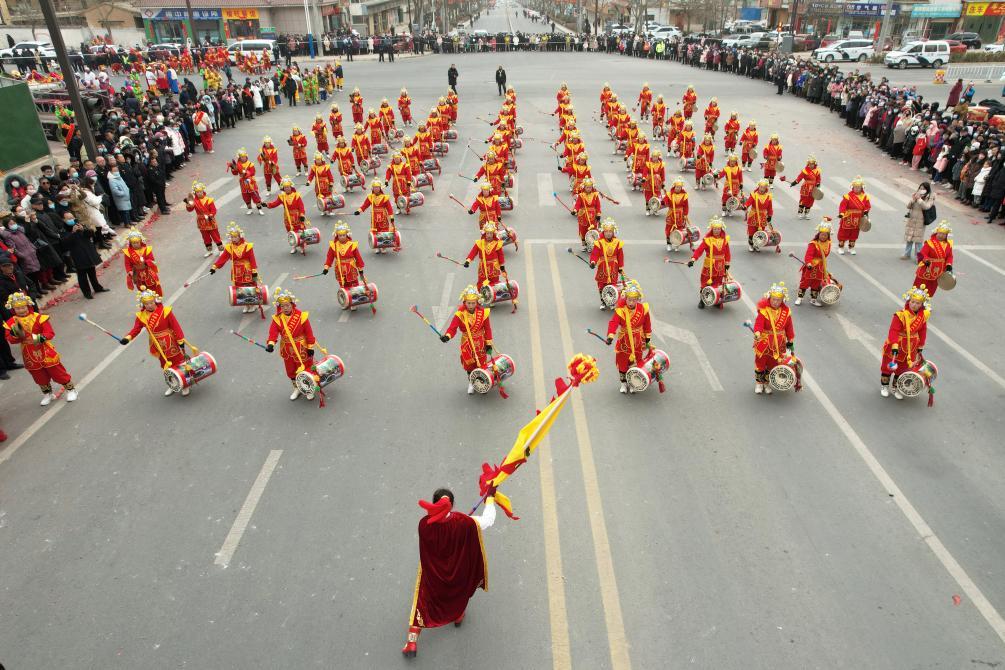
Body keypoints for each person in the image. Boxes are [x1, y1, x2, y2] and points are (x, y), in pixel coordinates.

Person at [401, 487, 496, 658]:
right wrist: (490, 498)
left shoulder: (424, 525)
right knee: (458, 595)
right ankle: (457, 616)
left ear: (434, 502)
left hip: (433, 576)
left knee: (421, 605)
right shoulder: (465, 522)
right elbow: (488, 520)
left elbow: (441, 528)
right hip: (457, 573)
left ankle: (411, 642)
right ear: (452, 504)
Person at [3, 291, 78, 405]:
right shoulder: (11, 322)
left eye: (23, 307)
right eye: (18, 308)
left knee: (57, 371)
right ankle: (48, 394)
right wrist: (16, 335)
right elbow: (10, 340)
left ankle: (71, 390)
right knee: (39, 375)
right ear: (13, 309)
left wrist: (36, 338)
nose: (21, 310)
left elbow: (50, 333)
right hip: (28, 352)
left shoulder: (39, 317)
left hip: (45, 349)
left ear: (28, 306)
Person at [120, 289, 192, 397]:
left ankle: (186, 384)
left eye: (151, 302)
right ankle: (173, 383)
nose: (149, 305)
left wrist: (180, 340)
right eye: (146, 304)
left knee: (178, 362)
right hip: (157, 344)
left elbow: (175, 327)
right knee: (165, 365)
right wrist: (128, 338)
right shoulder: (141, 316)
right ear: (143, 304)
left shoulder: (165, 311)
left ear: (155, 301)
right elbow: (136, 329)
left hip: (170, 341)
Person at [265, 288, 318, 401]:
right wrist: (271, 344)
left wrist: (310, 347)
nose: (285, 308)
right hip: (287, 349)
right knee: (291, 370)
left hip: (301, 347)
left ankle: (310, 388)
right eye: (283, 306)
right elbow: (273, 333)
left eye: (288, 305)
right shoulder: (277, 319)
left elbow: (309, 332)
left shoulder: (301, 316)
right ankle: (297, 388)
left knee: (305, 368)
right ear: (280, 307)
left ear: (292, 305)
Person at [440, 284, 494, 394]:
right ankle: (471, 382)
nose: (470, 305)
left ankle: (482, 383)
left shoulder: (483, 313)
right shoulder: (460, 314)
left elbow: (487, 329)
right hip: (467, 343)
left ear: (477, 302)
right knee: (469, 366)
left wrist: (488, 342)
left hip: (480, 341)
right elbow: (452, 328)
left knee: (482, 364)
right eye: (468, 303)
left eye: (473, 303)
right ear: (465, 302)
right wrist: (447, 336)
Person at [880, 286, 931, 399]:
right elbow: (893, 330)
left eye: (918, 303)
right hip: (897, 344)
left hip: (911, 346)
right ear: (909, 301)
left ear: (921, 304)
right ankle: (884, 386)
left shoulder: (922, 316)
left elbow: (922, 332)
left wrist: (920, 346)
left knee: (903, 369)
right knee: (888, 368)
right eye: (913, 302)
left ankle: (895, 387)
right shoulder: (901, 315)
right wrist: (894, 344)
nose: (914, 305)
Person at [604, 279, 653, 394]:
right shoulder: (620, 311)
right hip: (624, 340)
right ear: (626, 299)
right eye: (629, 300)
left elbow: (647, 324)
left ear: (637, 300)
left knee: (636, 362)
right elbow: (613, 323)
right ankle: (623, 384)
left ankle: (632, 383)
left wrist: (647, 337)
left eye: (633, 300)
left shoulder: (643, 309)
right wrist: (610, 335)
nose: (631, 302)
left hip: (638, 340)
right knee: (622, 362)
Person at [752, 281, 796, 395]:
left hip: (779, 343)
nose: (775, 302)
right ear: (769, 298)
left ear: (782, 301)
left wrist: (790, 338)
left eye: (778, 300)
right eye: (773, 299)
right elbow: (759, 324)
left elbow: (789, 326)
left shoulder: (786, 312)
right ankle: (759, 383)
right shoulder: (764, 311)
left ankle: (766, 383)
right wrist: (757, 332)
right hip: (764, 341)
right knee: (760, 363)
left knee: (772, 364)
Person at [210, 223, 261, 314]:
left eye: (235, 237)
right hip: (237, 270)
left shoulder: (247, 246)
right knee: (240, 287)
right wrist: (215, 267)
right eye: (232, 237)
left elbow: (252, 258)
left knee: (249, 286)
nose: (233, 239)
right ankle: (245, 304)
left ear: (240, 236)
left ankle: (252, 304)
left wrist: (254, 270)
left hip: (247, 269)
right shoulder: (229, 247)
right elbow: (223, 258)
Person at [59, 210, 108, 299]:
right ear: (63, 220)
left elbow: (91, 234)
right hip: (77, 255)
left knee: (92, 272)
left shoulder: (78, 224)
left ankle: (97, 287)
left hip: (88, 251)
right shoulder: (63, 230)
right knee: (82, 276)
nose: (72, 219)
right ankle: (87, 292)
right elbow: (65, 244)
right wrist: (73, 233)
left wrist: (84, 229)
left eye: (72, 217)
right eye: (68, 218)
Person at [688, 216, 731, 310]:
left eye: (718, 229)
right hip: (709, 265)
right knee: (705, 282)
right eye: (715, 229)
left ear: (721, 229)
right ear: (712, 229)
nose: (717, 231)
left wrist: (727, 263)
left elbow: (727, 252)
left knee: (718, 283)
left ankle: (715, 299)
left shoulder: (724, 240)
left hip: (720, 265)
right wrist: (693, 259)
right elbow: (699, 250)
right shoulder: (707, 240)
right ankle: (702, 300)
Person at [322, 220, 367, 306]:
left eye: (343, 235)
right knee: (343, 285)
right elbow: (329, 257)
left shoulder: (352, 245)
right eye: (340, 235)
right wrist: (326, 267)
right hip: (339, 269)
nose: (342, 237)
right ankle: (346, 301)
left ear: (347, 235)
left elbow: (358, 257)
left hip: (351, 268)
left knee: (353, 284)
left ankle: (354, 301)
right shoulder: (333, 246)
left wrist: (360, 269)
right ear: (337, 236)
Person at [795, 219, 833, 306]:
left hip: (820, 266)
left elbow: (826, 255)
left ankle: (813, 299)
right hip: (811, 266)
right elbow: (808, 255)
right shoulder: (813, 244)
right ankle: (800, 298)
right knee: (806, 282)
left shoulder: (828, 243)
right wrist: (808, 263)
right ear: (818, 234)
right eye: (822, 235)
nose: (823, 236)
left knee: (816, 283)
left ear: (828, 236)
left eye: (825, 235)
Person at [589, 219, 624, 310]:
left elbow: (620, 256)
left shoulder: (617, 243)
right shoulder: (599, 243)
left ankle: (611, 301)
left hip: (613, 267)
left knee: (612, 285)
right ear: (603, 232)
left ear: (613, 232)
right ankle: (603, 302)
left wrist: (620, 267)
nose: (608, 233)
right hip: (602, 267)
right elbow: (595, 254)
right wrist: (593, 262)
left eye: (610, 231)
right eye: (606, 231)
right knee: (602, 285)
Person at [266, 176, 307, 254]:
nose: (287, 189)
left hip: (297, 217)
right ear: (283, 188)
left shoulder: (296, 195)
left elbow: (301, 206)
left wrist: (302, 215)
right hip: (288, 218)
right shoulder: (282, 196)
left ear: (291, 187)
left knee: (300, 231)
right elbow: (275, 203)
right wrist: (267, 205)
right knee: (291, 233)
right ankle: (294, 246)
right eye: (285, 187)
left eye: (288, 187)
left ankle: (302, 246)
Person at [914, 220, 954, 297]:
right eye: (940, 233)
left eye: (943, 234)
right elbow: (922, 254)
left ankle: (926, 304)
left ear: (946, 235)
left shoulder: (949, 244)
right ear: (936, 233)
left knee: (931, 288)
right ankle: (914, 302)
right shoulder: (929, 243)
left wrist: (949, 265)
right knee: (919, 286)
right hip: (927, 268)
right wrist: (925, 260)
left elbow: (949, 256)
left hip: (939, 270)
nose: (941, 235)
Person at [353, 181, 396, 252]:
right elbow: (365, 205)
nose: (376, 189)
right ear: (372, 188)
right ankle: (377, 246)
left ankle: (383, 247)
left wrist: (391, 217)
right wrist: (359, 211)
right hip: (374, 217)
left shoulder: (385, 197)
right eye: (375, 187)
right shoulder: (370, 197)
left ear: (380, 188)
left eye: (377, 187)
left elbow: (389, 208)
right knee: (375, 231)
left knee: (383, 231)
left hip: (383, 216)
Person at [184, 181, 224, 258]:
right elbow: (190, 209)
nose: (199, 193)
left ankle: (221, 250)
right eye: (197, 192)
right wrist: (188, 204)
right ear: (195, 193)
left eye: (200, 192)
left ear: (203, 191)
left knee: (215, 235)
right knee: (205, 237)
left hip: (210, 220)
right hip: (201, 222)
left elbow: (214, 210)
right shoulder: (194, 202)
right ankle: (209, 250)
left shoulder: (209, 200)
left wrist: (210, 215)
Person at [463, 222, 506, 288]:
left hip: (494, 268)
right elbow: (473, 252)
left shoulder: (497, 244)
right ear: (485, 233)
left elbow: (501, 255)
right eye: (487, 233)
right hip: (483, 268)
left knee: (494, 286)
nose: (489, 235)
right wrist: (468, 261)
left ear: (493, 234)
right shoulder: (480, 243)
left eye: (491, 233)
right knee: (481, 285)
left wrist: (502, 267)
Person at [122, 227, 162, 297]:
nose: (135, 244)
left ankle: (155, 302)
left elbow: (152, 260)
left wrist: (146, 262)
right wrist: (129, 271)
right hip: (137, 274)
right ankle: (145, 304)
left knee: (153, 289)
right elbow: (127, 263)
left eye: (137, 242)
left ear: (140, 241)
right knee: (141, 291)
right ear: (130, 243)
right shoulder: (127, 253)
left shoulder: (147, 249)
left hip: (148, 272)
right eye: (133, 243)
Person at [837, 176, 871, 255]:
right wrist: (842, 213)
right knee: (843, 233)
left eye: (858, 187)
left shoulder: (865, 197)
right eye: (855, 187)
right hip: (848, 217)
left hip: (858, 218)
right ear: (853, 187)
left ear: (862, 188)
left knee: (854, 233)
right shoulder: (847, 196)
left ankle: (851, 247)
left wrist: (866, 211)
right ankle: (841, 247)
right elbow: (842, 206)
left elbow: (867, 206)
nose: (857, 189)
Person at [903, 182, 934, 260]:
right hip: (912, 219)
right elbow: (908, 206)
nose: (921, 190)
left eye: (923, 189)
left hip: (921, 220)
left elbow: (927, 207)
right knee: (909, 238)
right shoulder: (916, 195)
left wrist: (919, 200)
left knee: (918, 240)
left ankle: (919, 258)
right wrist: (913, 200)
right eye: (920, 188)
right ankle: (907, 254)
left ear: (927, 190)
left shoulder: (930, 197)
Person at [230, 148, 265, 216]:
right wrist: (233, 168)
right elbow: (235, 173)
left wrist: (248, 176)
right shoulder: (237, 164)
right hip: (243, 183)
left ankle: (260, 209)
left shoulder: (250, 164)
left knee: (255, 196)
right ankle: (250, 209)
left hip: (251, 182)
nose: (243, 158)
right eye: (241, 157)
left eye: (244, 157)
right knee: (246, 197)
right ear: (239, 158)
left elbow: (253, 172)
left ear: (246, 157)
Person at [744, 178, 774, 252]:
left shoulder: (768, 197)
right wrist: (745, 206)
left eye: (763, 187)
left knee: (760, 233)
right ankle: (751, 245)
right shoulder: (754, 195)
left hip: (763, 217)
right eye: (761, 187)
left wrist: (769, 216)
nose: (762, 189)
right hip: (753, 216)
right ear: (758, 187)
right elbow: (748, 202)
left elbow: (770, 208)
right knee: (751, 232)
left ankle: (757, 244)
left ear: (766, 188)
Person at [661, 177, 690, 252]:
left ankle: (677, 244)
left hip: (680, 214)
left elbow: (686, 206)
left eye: (679, 187)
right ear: (674, 186)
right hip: (671, 214)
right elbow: (665, 200)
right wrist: (663, 202)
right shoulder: (669, 194)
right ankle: (669, 243)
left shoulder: (684, 195)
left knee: (679, 230)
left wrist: (685, 214)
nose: (678, 188)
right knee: (669, 229)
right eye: (677, 187)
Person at [571, 178, 602, 249]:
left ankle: (591, 244)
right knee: (583, 229)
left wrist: (598, 214)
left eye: (590, 187)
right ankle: (584, 244)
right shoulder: (581, 195)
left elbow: (598, 205)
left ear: (592, 187)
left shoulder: (595, 195)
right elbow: (578, 204)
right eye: (587, 187)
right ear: (584, 187)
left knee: (592, 230)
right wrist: (575, 210)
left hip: (593, 216)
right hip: (583, 216)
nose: (589, 189)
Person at [790, 155, 822, 220]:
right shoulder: (805, 171)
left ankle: (806, 214)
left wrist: (818, 184)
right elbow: (799, 178)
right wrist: (795, 182)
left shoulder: (817, 171)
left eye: (812, 164)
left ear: (814, 164)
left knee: (810, 201)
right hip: (805, 187)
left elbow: (818, 179)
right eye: (809, 164)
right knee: (803, 200)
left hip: (813, 188)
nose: (811, 165)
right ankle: (800, 213)